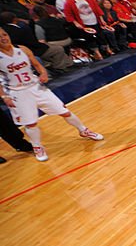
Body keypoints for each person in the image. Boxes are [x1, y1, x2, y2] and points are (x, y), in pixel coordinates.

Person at [0, 29, 103, 162]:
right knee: (31, 123)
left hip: (36, 87)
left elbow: (37, 65)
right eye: (0, 37)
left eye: (5, 34)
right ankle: (37, 147)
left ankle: (83, 130)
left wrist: (43, 73)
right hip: (17, 93)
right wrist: (4, 97)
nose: (3, 38)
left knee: (64, 111)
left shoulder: (22, 49)